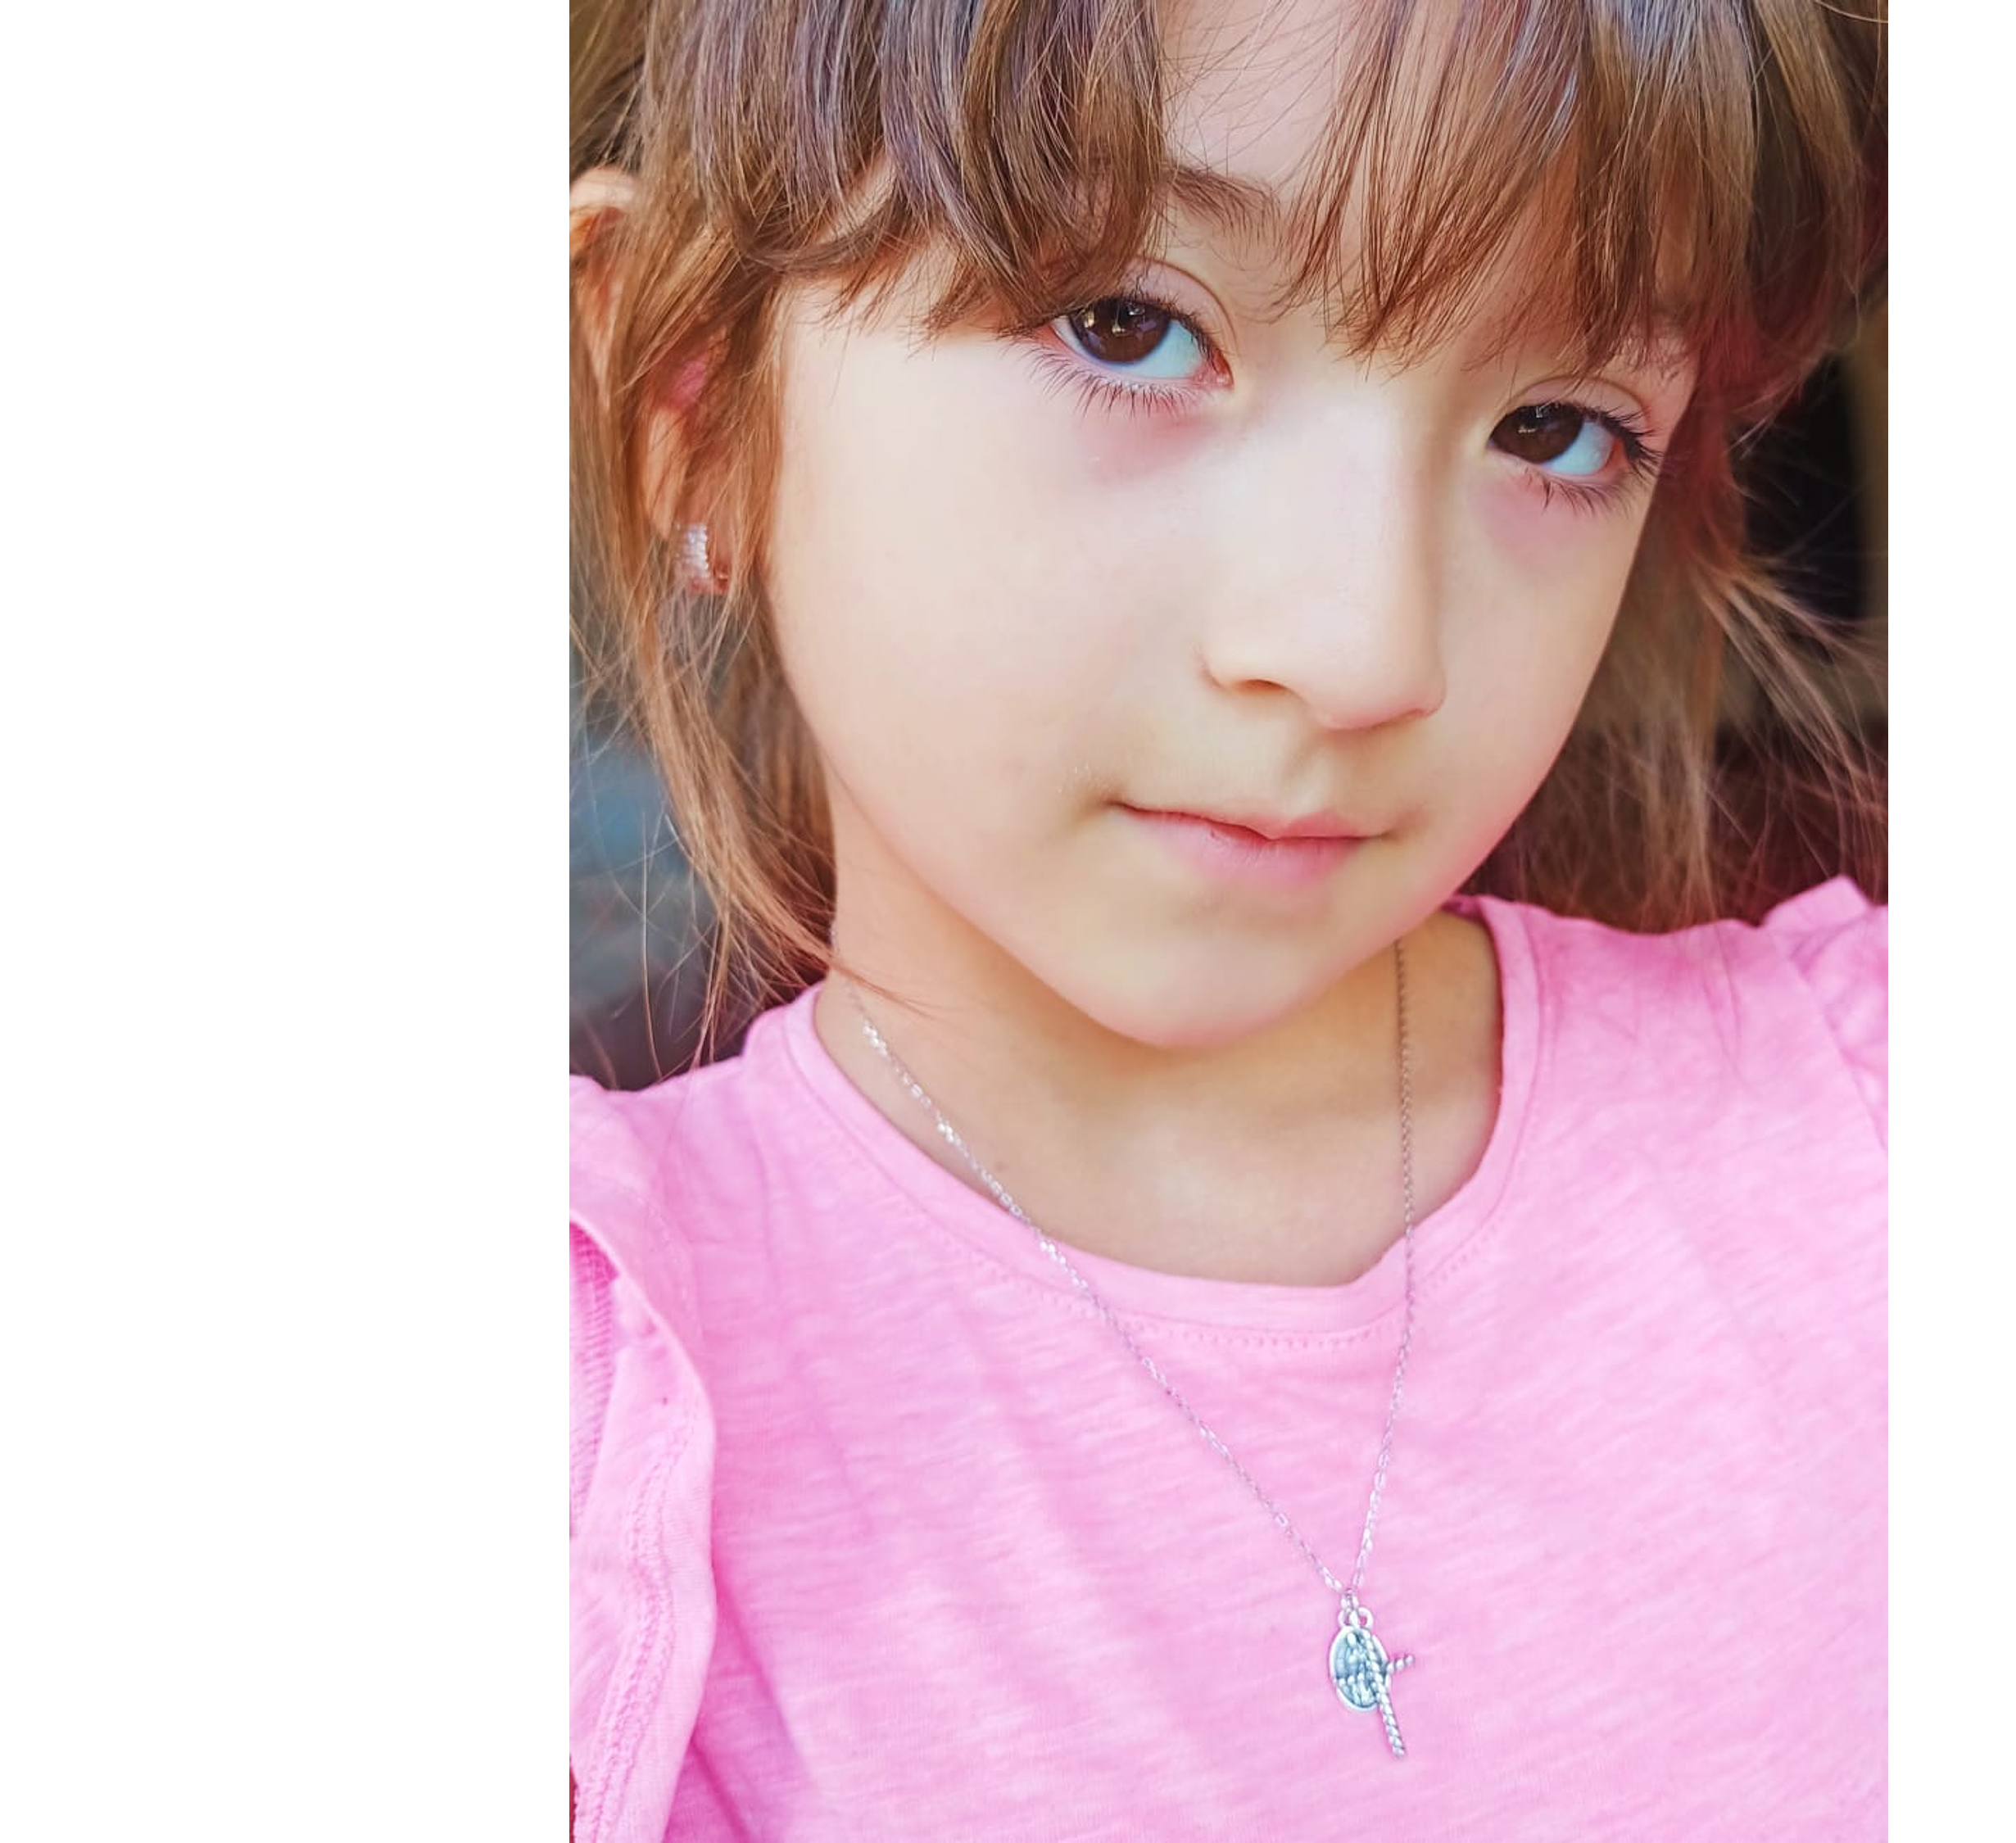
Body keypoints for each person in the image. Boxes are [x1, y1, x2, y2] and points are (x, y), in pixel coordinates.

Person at [568, 0, 1887, 1835]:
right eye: (1132, 326)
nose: (1365, 649)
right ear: (692, 396)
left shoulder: (1842, 1117)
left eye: (1557, 427)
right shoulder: (628, 1418)